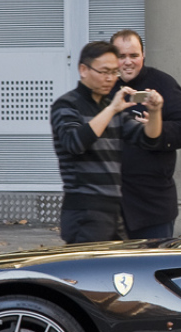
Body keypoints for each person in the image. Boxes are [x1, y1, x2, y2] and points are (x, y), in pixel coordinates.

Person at [51, 41, 164, 244]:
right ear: (83, 70)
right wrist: (112, 109)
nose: (110, 79)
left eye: (114, 72)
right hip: (84, 211)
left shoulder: (110, 107)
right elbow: (74, 143)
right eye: (104, 72)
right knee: (89, 272)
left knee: (120, 269)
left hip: (113, 209)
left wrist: (155, 112)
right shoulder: (67, 104)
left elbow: (149, 138)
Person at [110, 30, 181, 240]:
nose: (128, 62)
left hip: (152, 207)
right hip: (107, 209)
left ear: (144, 54)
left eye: (134, 55)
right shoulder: (101, 87)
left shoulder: (163, 83)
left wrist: (157, 128)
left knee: (150, 269)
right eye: (121, 56)